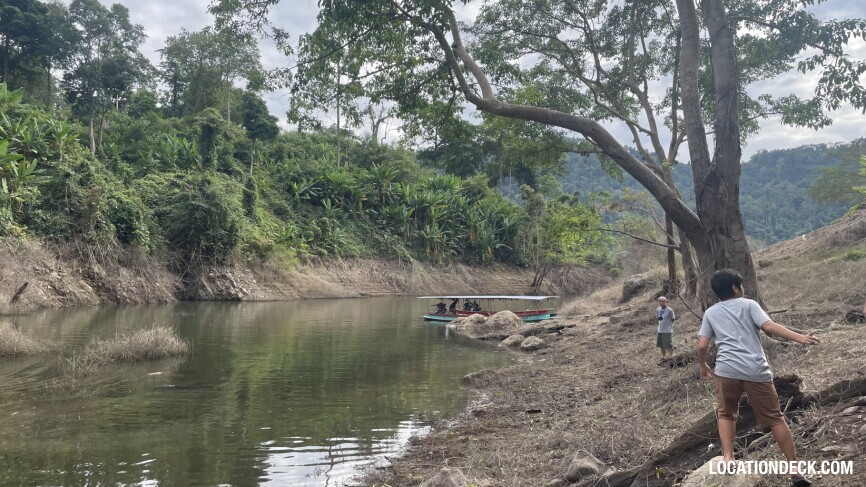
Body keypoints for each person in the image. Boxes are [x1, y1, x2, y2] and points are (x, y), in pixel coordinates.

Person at [697, 269, 819, 487]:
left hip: (726, 371)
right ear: (735, 288)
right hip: (756, 371)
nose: (743, 289)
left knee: (726, 414)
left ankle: (728, 457)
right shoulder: (748, 304)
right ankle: (795, 471)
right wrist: (800, 337)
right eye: (741, 285)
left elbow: (702, 344)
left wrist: (703, 364)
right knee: (775, 418)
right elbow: (769, 326)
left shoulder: (711, 313)